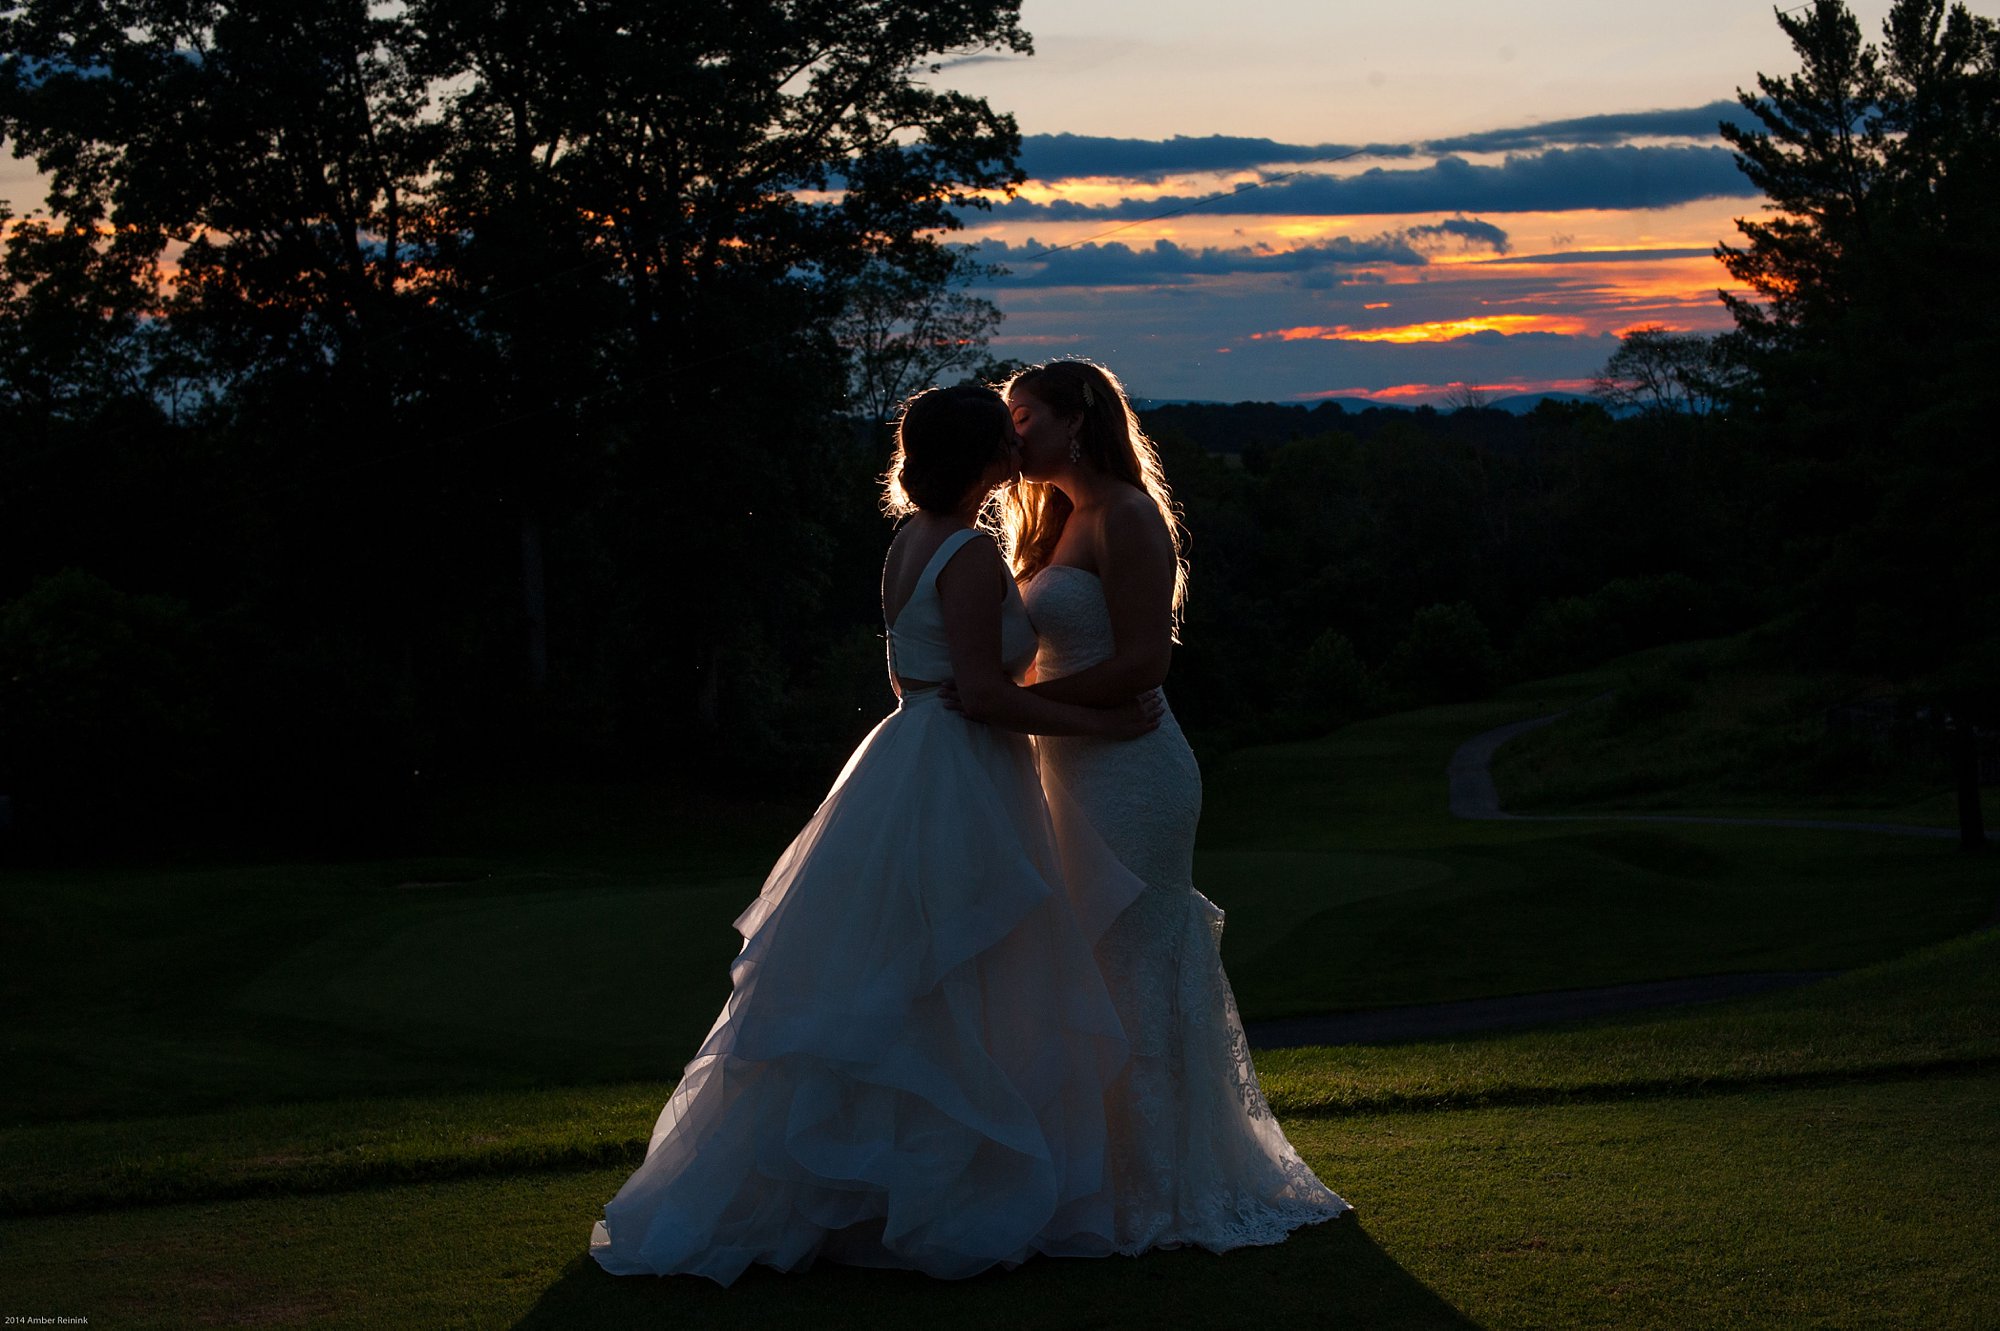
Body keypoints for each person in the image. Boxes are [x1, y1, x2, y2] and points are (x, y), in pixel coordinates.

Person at [588, 384, 1160, 1286]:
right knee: (959, 971)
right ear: (983, 457)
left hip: (912, 757)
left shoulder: (910, 541)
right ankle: (938, 1194)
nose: (1018, 452)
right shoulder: (968, 551)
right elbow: (979, 691)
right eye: (1004, 440)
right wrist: (1104, 724)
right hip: (957, 766)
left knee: (914, 975)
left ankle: (900, 1183)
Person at [999, 358, 1349, 1252]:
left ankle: (1153, 1191)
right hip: (1069, 766)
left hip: (1134, 773)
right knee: (1080, 964)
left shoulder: (1127, 514)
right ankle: (1086, 1177)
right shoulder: (1052, 520)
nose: (1015, 434)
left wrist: (1023, 709)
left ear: (1076, 418)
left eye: (1026, 415)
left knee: (1133, 965)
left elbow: (1144, 664)